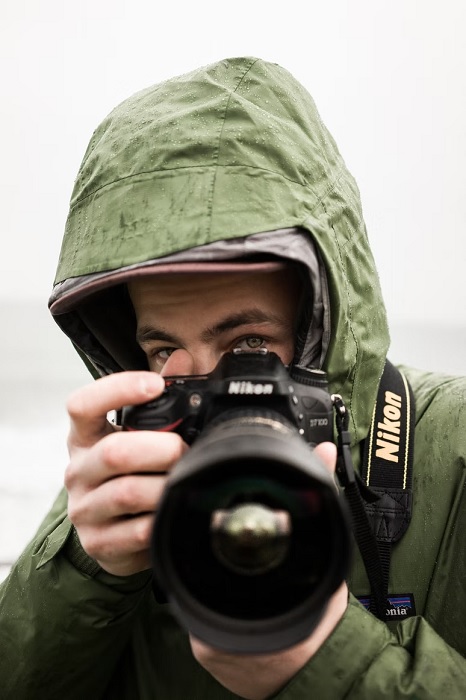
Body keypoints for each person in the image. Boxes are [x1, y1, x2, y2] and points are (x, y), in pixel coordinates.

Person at [0, 56, 465, 699]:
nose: (196, 383)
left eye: (248, 344)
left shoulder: (454, 447)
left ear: (322, 326)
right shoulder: (136, 473)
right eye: (162, 350)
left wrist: (324, 662)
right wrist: (90, 566)